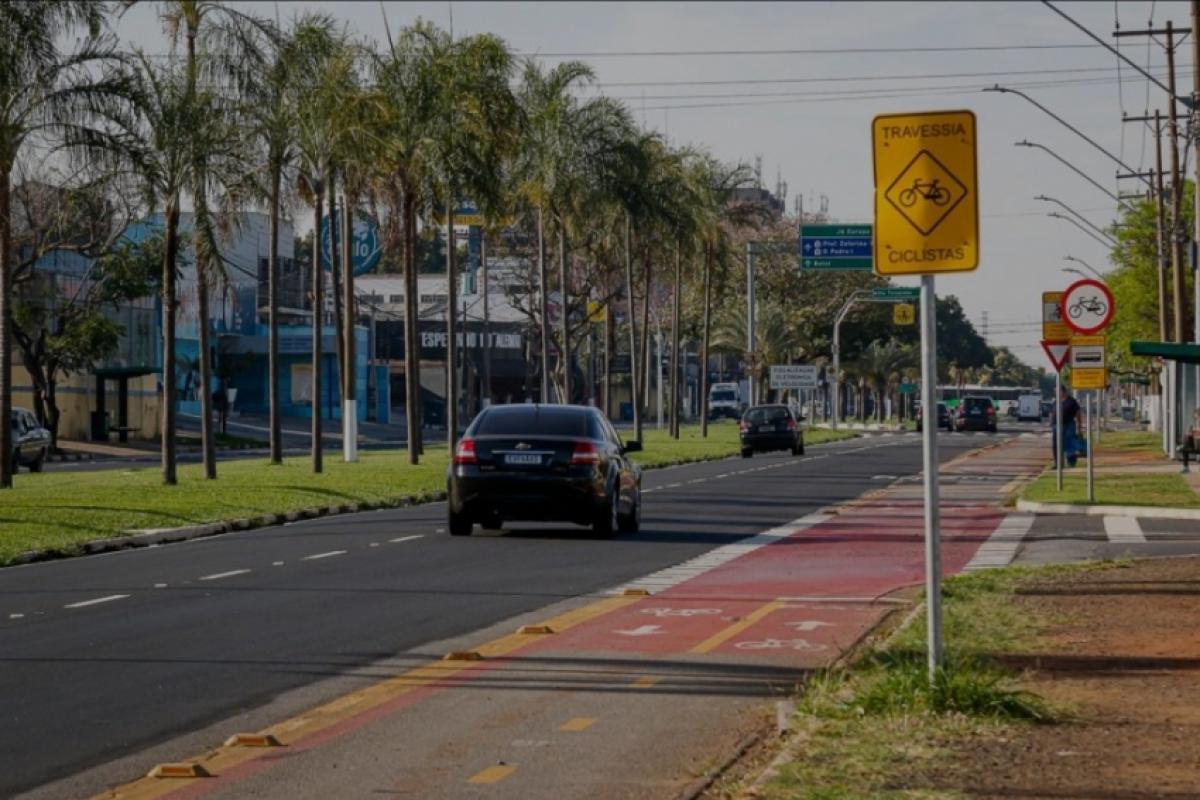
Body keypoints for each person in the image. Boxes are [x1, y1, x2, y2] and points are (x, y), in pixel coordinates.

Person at [1052, 385, 1082, 467]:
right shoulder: (1056, 401)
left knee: (1069, 444)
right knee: (1055, 445)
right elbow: (1052, 411)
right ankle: (1058, 463)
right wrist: (1051, 422)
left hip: (1069, 425)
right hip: (1056, 426)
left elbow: (1078, 414)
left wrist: (1079, 427)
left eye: (1058, 391)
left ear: (1063, 391)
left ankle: (1071, 462)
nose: (1056, 393)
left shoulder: (1072, 401)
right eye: (1055, 391)